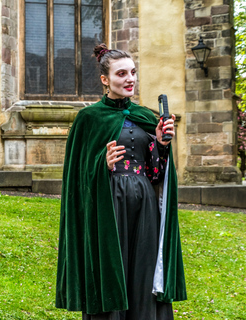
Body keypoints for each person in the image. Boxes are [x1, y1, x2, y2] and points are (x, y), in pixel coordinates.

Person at [55, 43, 187, 320]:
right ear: (105, 80)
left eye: (133, 72)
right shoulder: (89, 119)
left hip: (144, 205)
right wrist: (100, 165)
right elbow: (76, 179)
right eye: (121, 74)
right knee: (112, 267)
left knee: (144, 268)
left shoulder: (145, 117)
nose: (130, 79)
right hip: (108, 205)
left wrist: (161, 145)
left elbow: (155, 172)